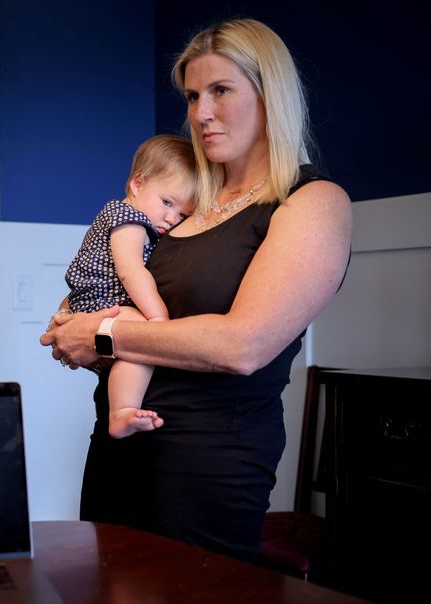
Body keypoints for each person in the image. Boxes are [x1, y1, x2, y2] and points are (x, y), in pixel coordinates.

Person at [40, 18, 351, 562]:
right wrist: (79, 328)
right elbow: (119, 298)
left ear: (268, 93)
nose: (200, 113)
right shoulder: (184, 205)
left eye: (221, 91)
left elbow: (242, 347)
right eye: (192, 95)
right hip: (119, 443)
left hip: (208, 465)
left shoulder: (312, 202)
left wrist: (106, 334)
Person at [63, 134, 195, 438]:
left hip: (97, 300)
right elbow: (131, 272)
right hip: (101, 301)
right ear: (137, 184)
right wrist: (158, 320)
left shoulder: (132, 217)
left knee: (132, 345)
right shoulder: (129, 219)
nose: (171, 218)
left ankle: (121, 409)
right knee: (139, 337)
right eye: (166, 202)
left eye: (182, 214)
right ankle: (121, 411)